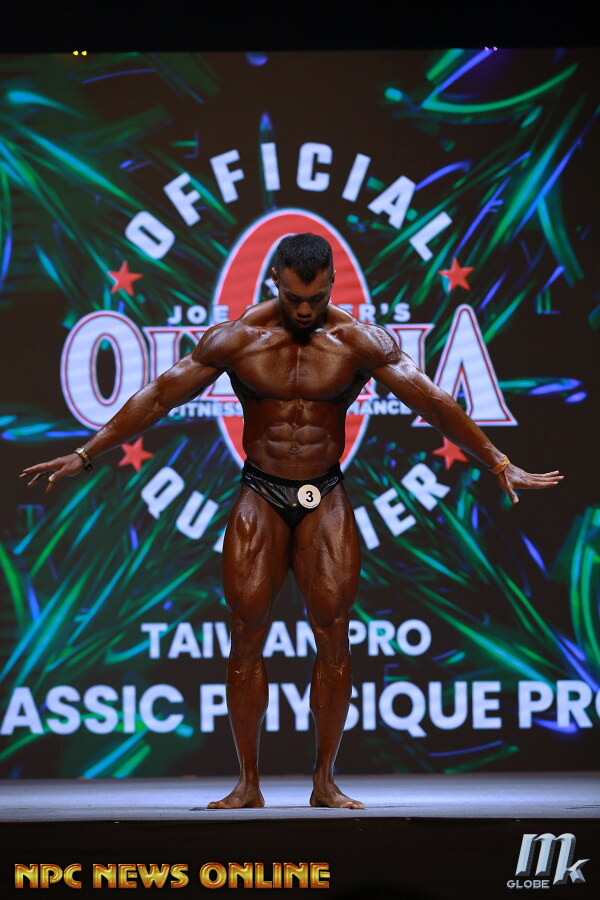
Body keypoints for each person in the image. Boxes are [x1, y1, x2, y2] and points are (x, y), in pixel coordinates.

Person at [20, 233, 563, 809]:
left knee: (334, 636)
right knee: (246, 633)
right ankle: (247, 783)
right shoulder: (237, 339)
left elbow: (431, 401)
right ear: (274, 280)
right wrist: (86, 453)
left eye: (316, 298)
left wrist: (497, 461)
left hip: (324, 493)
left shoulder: (358, 341)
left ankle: (324, 781)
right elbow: (158, 397)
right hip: (261, 491)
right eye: (294, 298)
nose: (305, 310)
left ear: (332, 283)